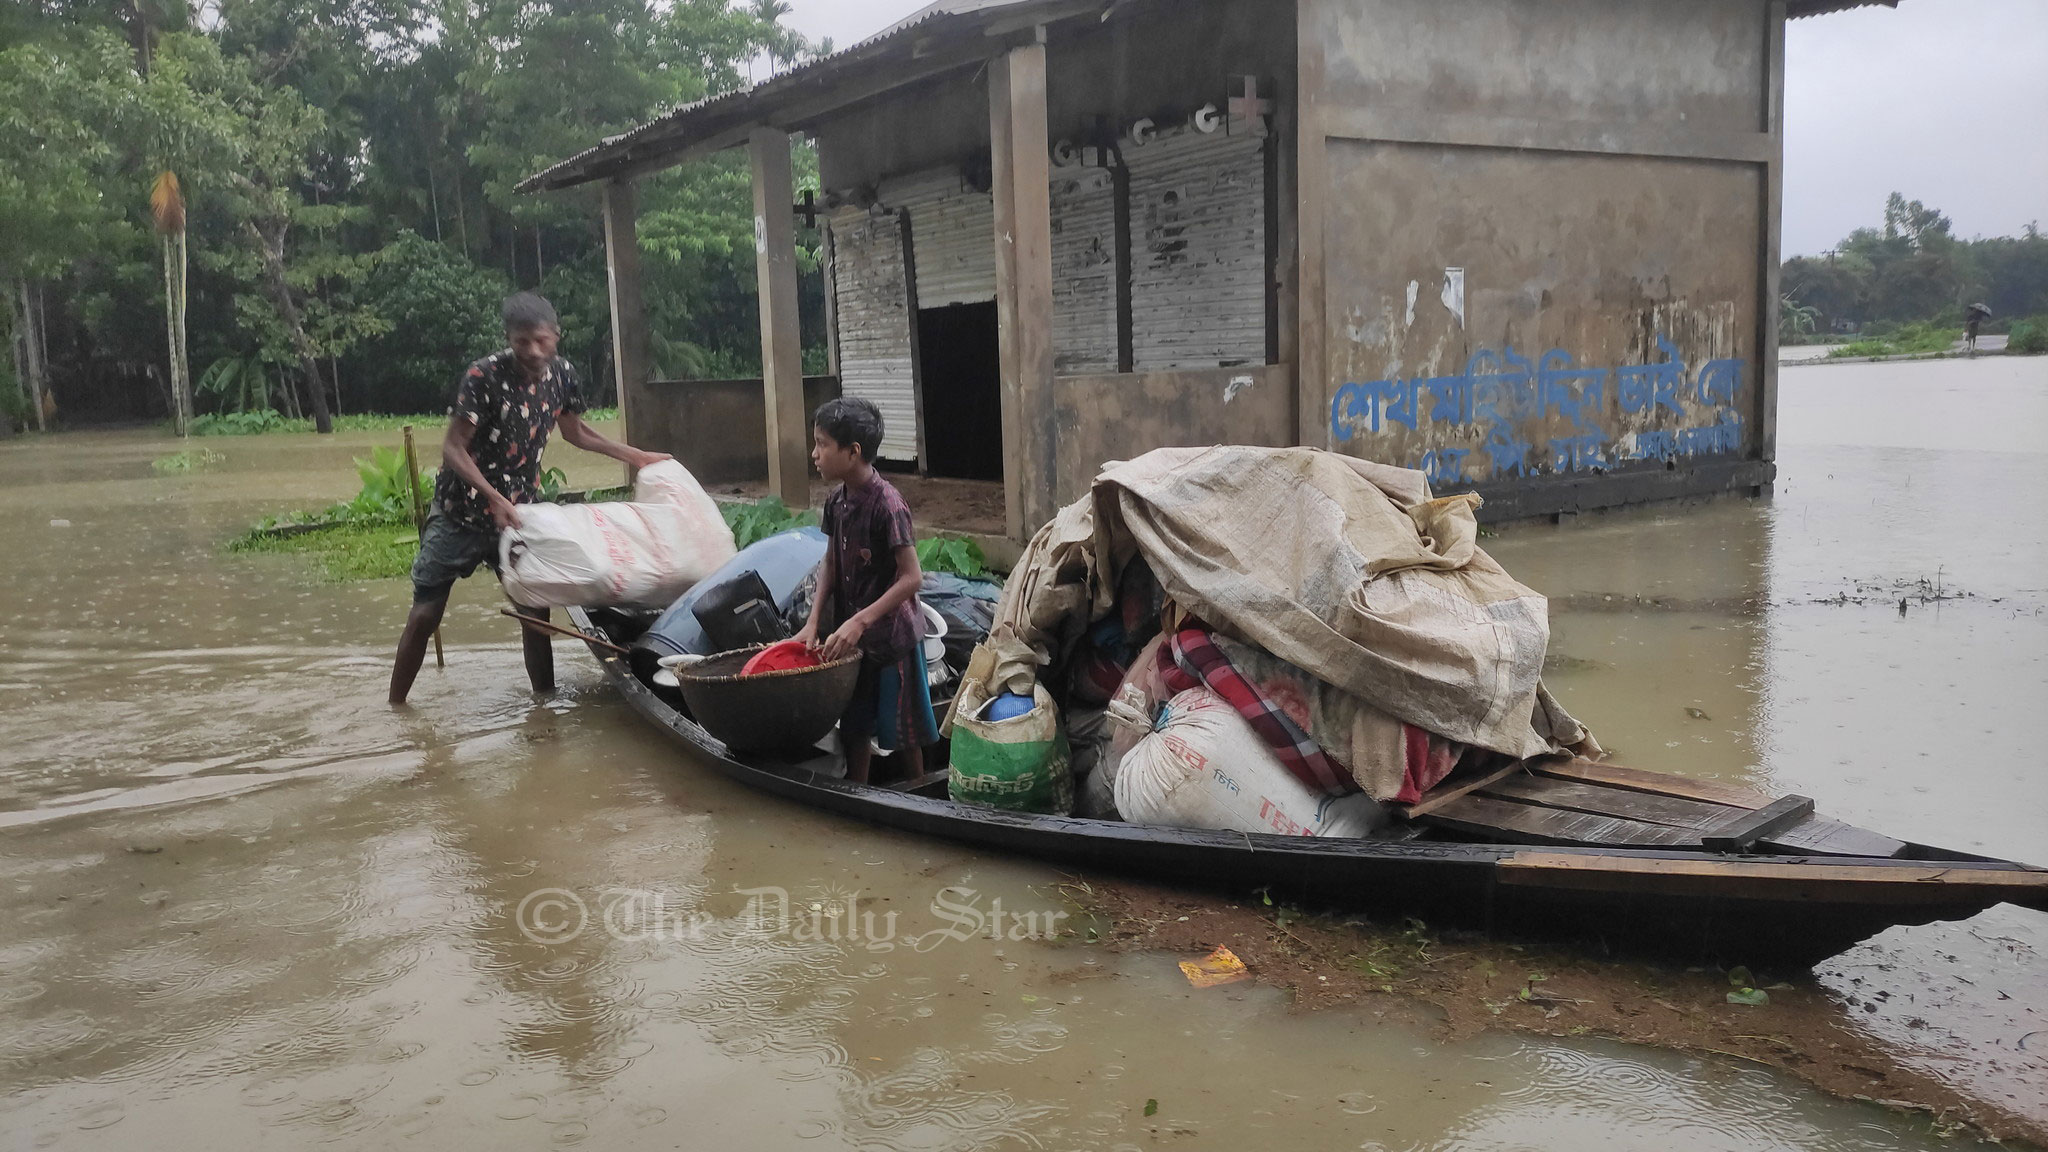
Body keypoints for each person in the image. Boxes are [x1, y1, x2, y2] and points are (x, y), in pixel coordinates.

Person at [388, 292, 670, 705]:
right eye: (523, 342)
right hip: (460, 513)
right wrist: (492, 497)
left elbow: (576, 432)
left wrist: (635, 456)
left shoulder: (562, 375)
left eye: (542, 340)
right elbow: (453, 449)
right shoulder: (483, 376)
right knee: (426, 614)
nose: (534, 351)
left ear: (556, 335)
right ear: (509, 339)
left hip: (520, 515)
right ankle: (396, 710)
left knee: (535, 613)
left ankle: (544, 707)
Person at [795, 398, 937, 785]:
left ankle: (920, 797)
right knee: (855, 725)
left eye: (822, 444)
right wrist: (812, 623)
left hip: (893, 639)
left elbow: (912, 577)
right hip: (851, 639)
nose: (815, 454)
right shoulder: (836, 500)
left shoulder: (888, 503)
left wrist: (860, 620)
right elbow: (830, 563)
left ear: (853, 451)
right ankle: (857, 794)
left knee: (906, 730)